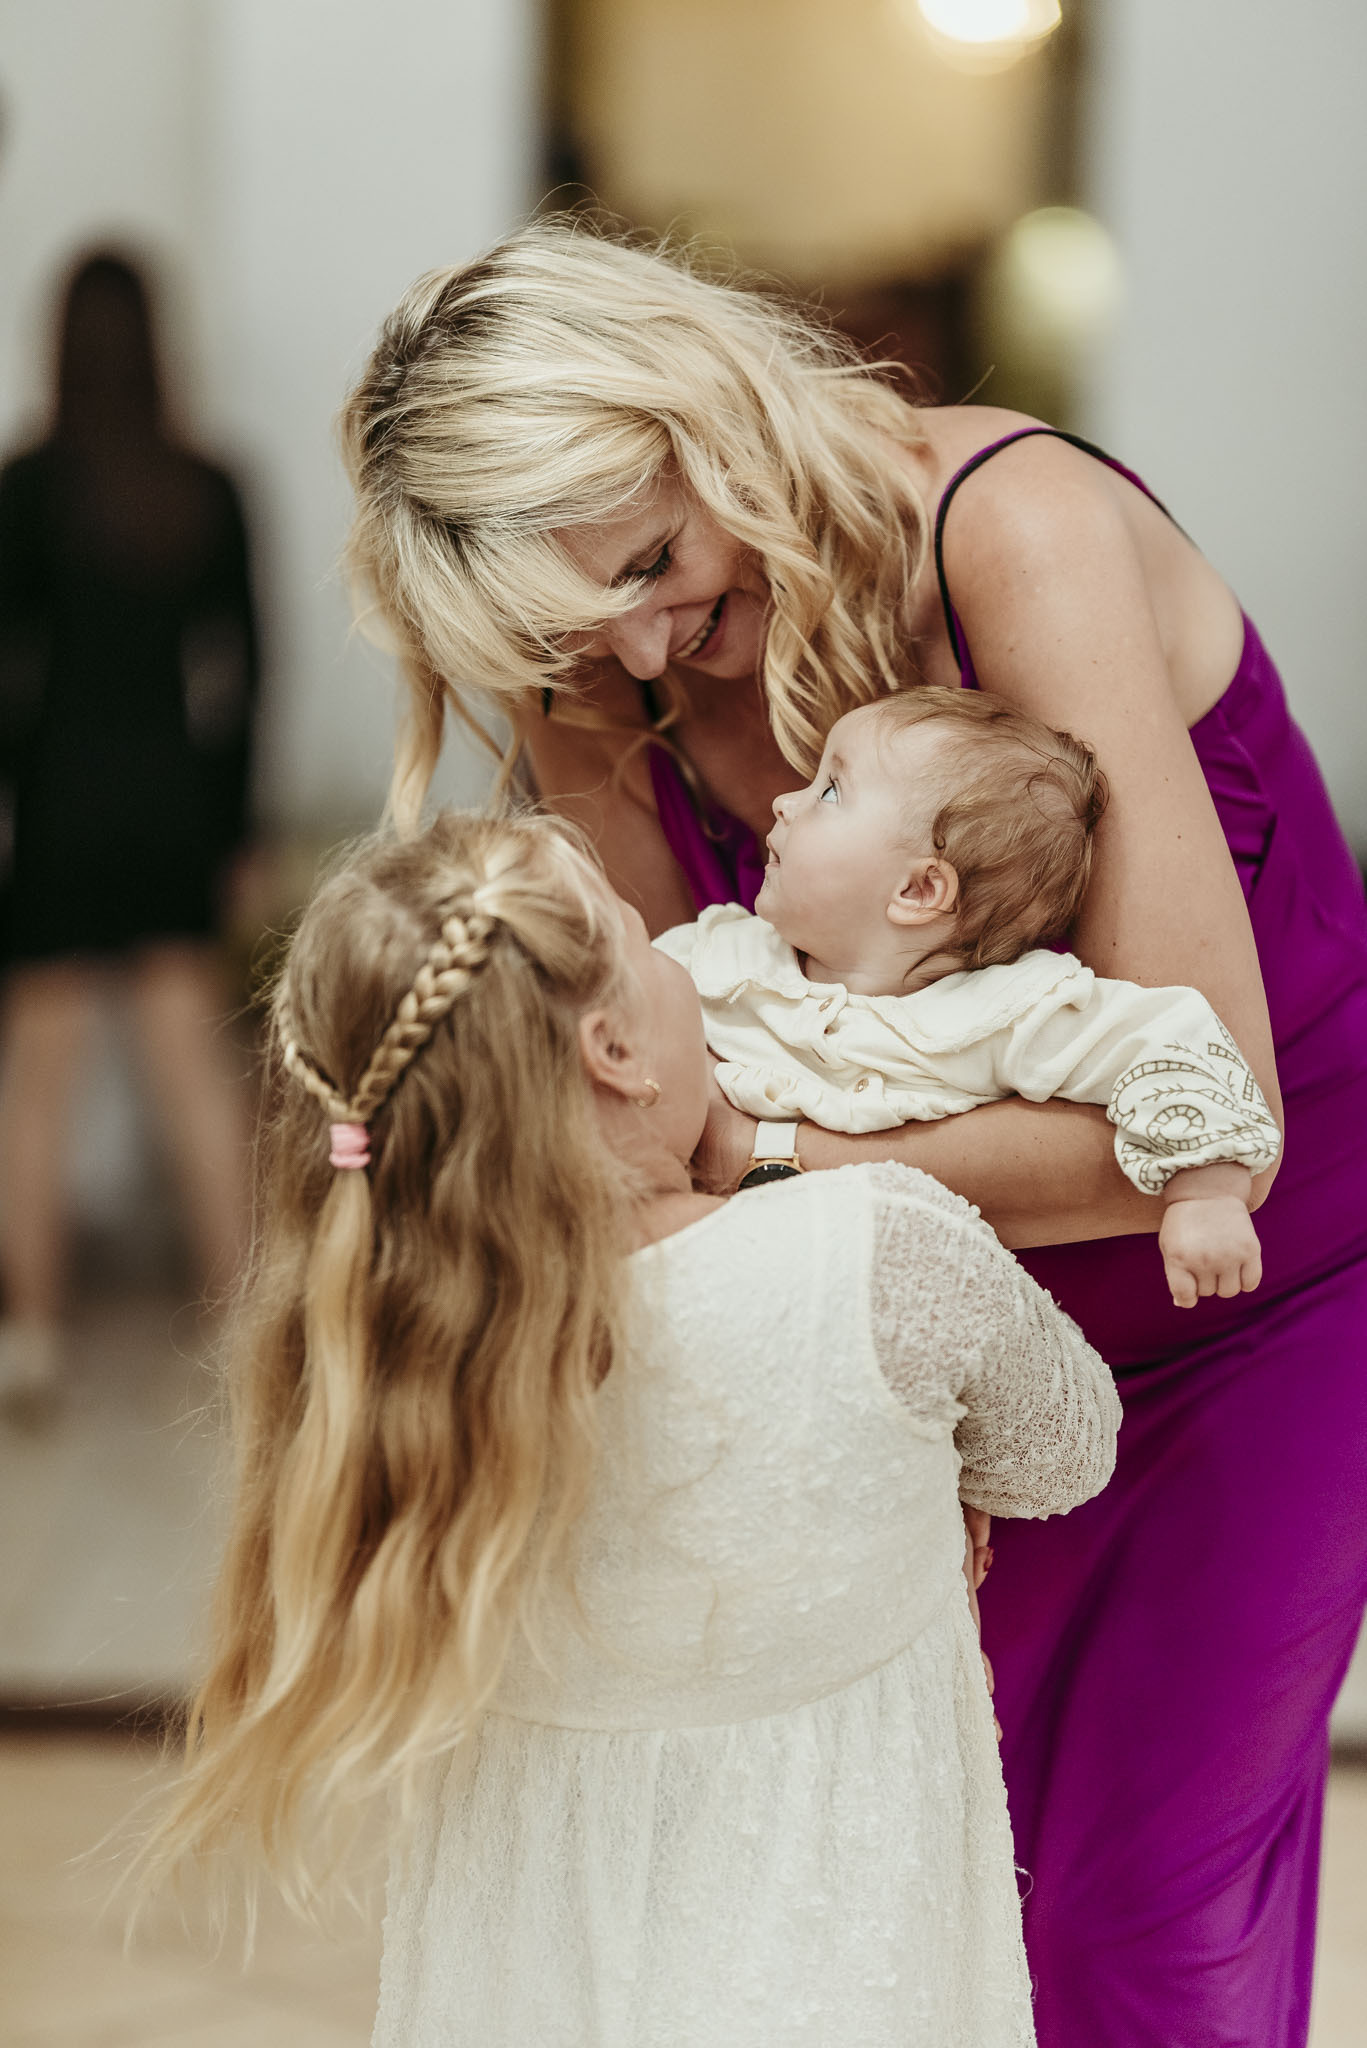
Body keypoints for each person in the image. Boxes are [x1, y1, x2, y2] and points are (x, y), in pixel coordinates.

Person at [337, 221, 1367, 2048]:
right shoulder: (587, 660)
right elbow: (663, 1093)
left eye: (652, 562)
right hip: (924, 1351)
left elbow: (1199, 1117)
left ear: (710, 414)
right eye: (577, 624)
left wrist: (781, 1175)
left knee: (1134, 1914)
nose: (639, 645)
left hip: (1255, 1301)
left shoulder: (1006, 533)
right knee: (937, 1910)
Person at [139, 807, 1118, 2046]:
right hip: (847, 1953)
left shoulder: (417, 1369)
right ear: (613, 1049)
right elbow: (1068, 1443)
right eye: (642, 936)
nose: (683, 946)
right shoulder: (879, 1246)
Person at [658, 687, 1281, 1309]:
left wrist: (1206, 1193)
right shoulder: (716, 955)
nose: (784, 802)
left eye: (830, 792)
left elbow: (1166, 1042)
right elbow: (615, 1006)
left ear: (918, 890)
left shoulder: (1003, 1014)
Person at [0, 252, 259, 1399]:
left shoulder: (26, 488)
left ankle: (29, 1337)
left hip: (59, 810)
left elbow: (7, 677)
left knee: (35, 1084)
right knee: (194, 1075)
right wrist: (232, 822)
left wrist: (15, 793)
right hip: (171, 811)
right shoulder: (208, 486)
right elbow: (245, 679)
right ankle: (246, 1326)